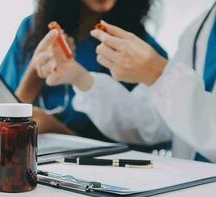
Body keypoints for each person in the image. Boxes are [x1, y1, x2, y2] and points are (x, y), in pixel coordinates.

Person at [43, 3, 216, 161]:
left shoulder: (150, 44)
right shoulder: (201, 29)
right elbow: (153, 121)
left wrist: (158, 73)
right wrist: (79, 77)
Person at [0, 0, 169, 142]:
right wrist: (35, 72)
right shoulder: (31, 29)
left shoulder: (143, 53)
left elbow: (147, 137)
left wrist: (58, 131)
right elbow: (7, 118)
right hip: (25, 163)